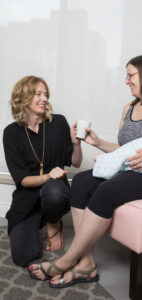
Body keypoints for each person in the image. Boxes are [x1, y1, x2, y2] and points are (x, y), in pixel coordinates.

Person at [28, 54, 142, 288]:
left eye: (130, 75)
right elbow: (125, 150)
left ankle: (66, 261)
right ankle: (87, 264)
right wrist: (97, 141)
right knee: (80, 182)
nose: (126, 81)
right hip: (132, 168)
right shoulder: (129, 108)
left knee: (106, 191)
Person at [3, 76, 82, 267]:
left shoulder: (58, 123)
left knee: (53, 191)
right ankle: (39, 217)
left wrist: (75, 143)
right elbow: (22, 180)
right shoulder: (11, 133)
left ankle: (54, 221)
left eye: (46, 94)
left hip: (54, 190)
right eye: (38, 94)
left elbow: (76, 162)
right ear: (23, 97)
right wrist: (46, 176)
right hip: (27, 197)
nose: (44, 98)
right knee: (24, 256)